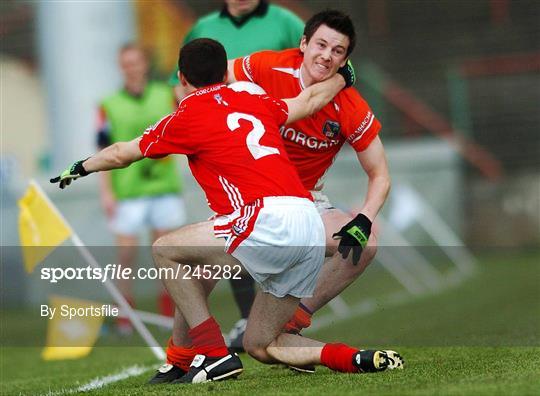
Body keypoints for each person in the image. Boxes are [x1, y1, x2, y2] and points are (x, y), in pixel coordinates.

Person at [51, 38, 403, 384]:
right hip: (307, 220)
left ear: (182, 79)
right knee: (261, 343)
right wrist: (343, 77)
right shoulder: (251, 95)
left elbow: (121, 153)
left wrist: (81, 167)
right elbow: (305, 102)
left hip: (262, 218)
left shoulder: (185, 115)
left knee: (165, 250)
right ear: (224, 72)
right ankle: (352, 357)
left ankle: (213, 353)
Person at [158, 9, 393, 379]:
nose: (326, 56)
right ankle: (179, 357)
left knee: (367, 243)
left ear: (346, 61)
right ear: (303, 44)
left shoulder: (350, 105)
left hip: (306, 203)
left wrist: (364, 218)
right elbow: (210, 79)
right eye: (320, 45)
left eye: (337, 51)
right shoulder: (268, 68)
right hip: (252, 200)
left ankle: (294, 318)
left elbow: (379, 173)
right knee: (194, 267)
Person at [170, 1, 305, 345]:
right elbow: (178, 84)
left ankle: (284, 320)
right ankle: (253, 321)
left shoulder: (286, 22)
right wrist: (195, 116)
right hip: (226, 147)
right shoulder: (202, 29)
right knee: (234, 230)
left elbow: (309, 71)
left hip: (280, 140)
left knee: (237, 235)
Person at [96, 44, 185, 332]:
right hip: (128, 191)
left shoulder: (165, 94)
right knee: (125, 255)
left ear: (145, 64)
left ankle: (169, 310)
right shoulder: (108, 104)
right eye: (125, 64)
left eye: (135, 62)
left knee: (165, 251)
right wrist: (106, 191)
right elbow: (101, 148)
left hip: (163, 187)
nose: (131, 68)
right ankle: (126, 314)